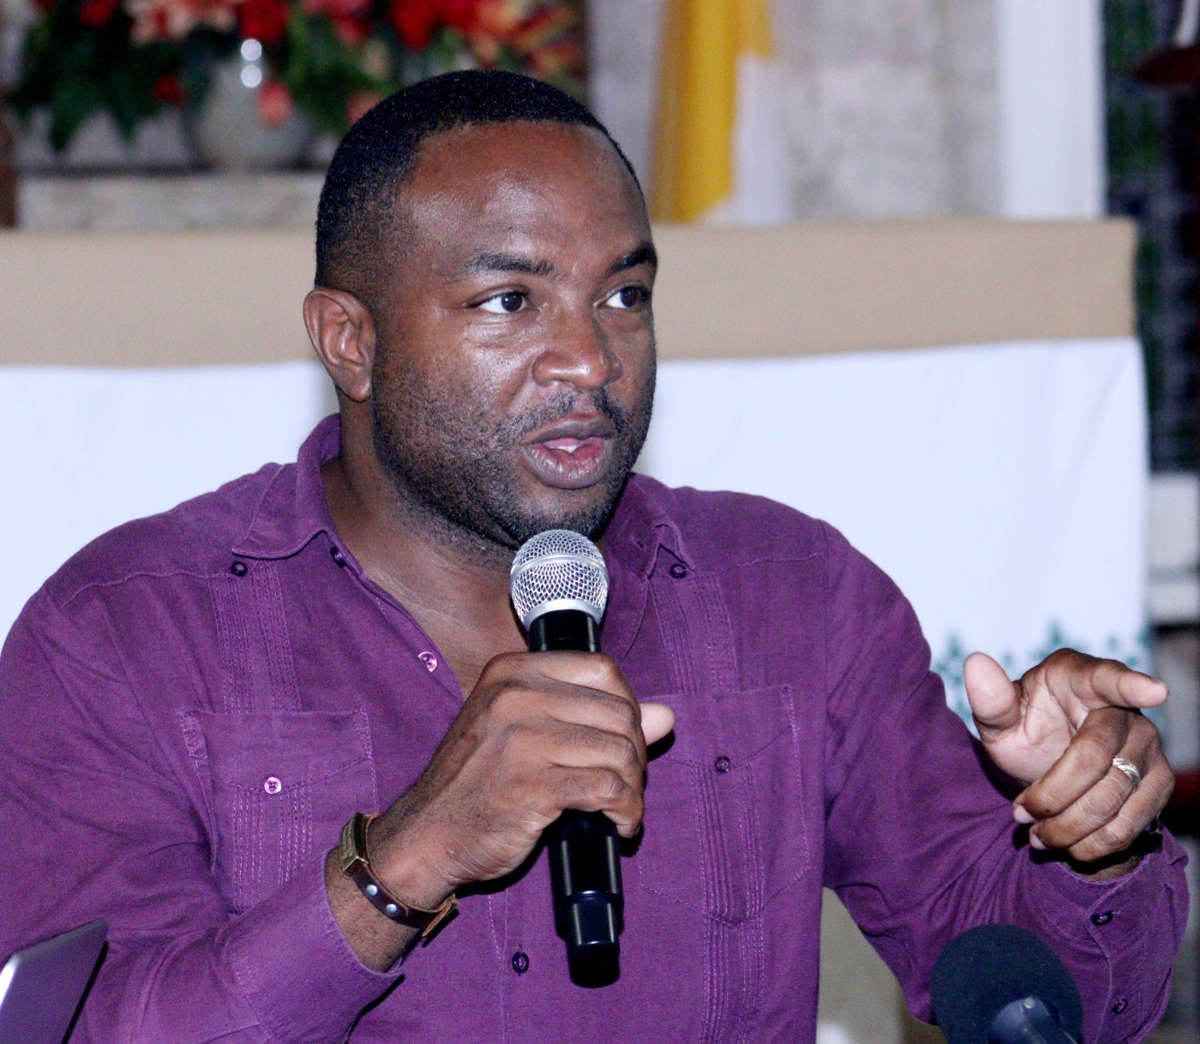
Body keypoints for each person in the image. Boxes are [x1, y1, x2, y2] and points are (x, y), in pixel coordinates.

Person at [0, 70, 1186, 1042]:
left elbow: (1041, 988)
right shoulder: (125, 633)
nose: (590, 359)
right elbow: (77, 1030)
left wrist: (1088, 839)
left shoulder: (791, 596)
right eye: (509, 302)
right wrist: (405, 863)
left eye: (624, 295)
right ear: (350, 341)